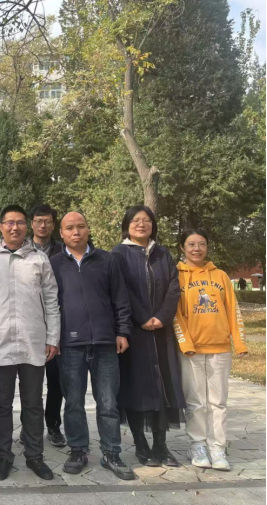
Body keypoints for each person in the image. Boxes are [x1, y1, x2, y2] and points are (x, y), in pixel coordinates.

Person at [0, 205, 60, 482]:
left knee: (33, 404)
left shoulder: (39, 259)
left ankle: (35, 456)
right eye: (9, 222)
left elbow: (51, 300)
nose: (15, 227)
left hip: (32, 342)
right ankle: (4, 456)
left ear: (27, 226)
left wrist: (52, 337)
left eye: (20, 222)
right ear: (0, 226)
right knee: (1, 405)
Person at [50, 212, 135, 481]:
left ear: (88, 229)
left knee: (108, 402)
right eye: (69, 228)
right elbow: (49, 304)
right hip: (69, 345)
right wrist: (52, 337)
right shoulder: (53, 264)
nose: (76, 232)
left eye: (81, 226)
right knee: (73, 402)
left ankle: (112, 453)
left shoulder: (107, 260)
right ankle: (78, 450)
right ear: (61, 233)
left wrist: (122, 331)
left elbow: (120, 299)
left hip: (105, 343)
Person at [112, 206, 185, 468]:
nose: (141, 224)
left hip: (162, 332)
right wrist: (143, 317)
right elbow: (121, 290)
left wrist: (162, 317)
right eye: (135, 220)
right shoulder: (119, 254)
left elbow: (174, 287)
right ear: (127, 225)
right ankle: (141, 444)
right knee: (137, 388)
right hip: (134, 332)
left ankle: (161, 445)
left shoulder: (162, 253)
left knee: (164, 385)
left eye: (146, 220)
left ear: (153, 225)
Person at [173, 229, 248, 472]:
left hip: (220, 349)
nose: (197, 249)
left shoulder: (221, 276)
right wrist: (185, 344)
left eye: (202, 244)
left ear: (207, 247)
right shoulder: (176, 276)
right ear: (183, 248)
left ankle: (217, 447)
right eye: (191, 244)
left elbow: (232, 309)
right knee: (196, 402)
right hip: (191, 351)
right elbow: (175, 313)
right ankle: (197, 445)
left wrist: (240, 342)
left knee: (218, 402)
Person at [29, 204, 66, 449]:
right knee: (28, 383)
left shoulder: (63, 251)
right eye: (38, 221)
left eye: (48, 221)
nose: (43, 225)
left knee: (56, 380)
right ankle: (29, 428)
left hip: (55, 322)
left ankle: (53, 425)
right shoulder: (22, 249)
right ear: (31, 223)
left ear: (54, 225)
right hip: (29, 323)